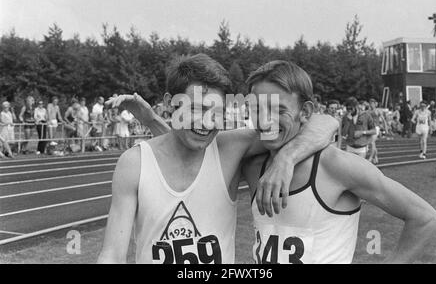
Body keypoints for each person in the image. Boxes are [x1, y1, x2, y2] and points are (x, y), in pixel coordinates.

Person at [98, 54, 338, 264]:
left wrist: (287, 157)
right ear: (171, 103)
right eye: (197, 109)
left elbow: (324, 122)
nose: (208, 123)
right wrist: (153, 121)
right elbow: (112, 256)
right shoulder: (134, 163)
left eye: (217, 112)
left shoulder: (229, 149)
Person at [238, 61, 436, 263]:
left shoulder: (336, 166)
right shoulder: (252, 165)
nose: (265, 120)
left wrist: (287, 157)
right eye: (257, 109)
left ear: (306, 112)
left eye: (278, 110)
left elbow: (426, 220)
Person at [368, 99, 385, 164]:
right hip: (370, 128)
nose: (371, 105)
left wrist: (385, 128)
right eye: (370, 103)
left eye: (372, 103)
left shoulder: (378, 110)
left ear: (375, 104)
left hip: (376, 128)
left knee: (372, 142)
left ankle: (370, 158)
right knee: (373, 144)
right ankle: (376, 157)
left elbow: (383, 120)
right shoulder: (368, 111)